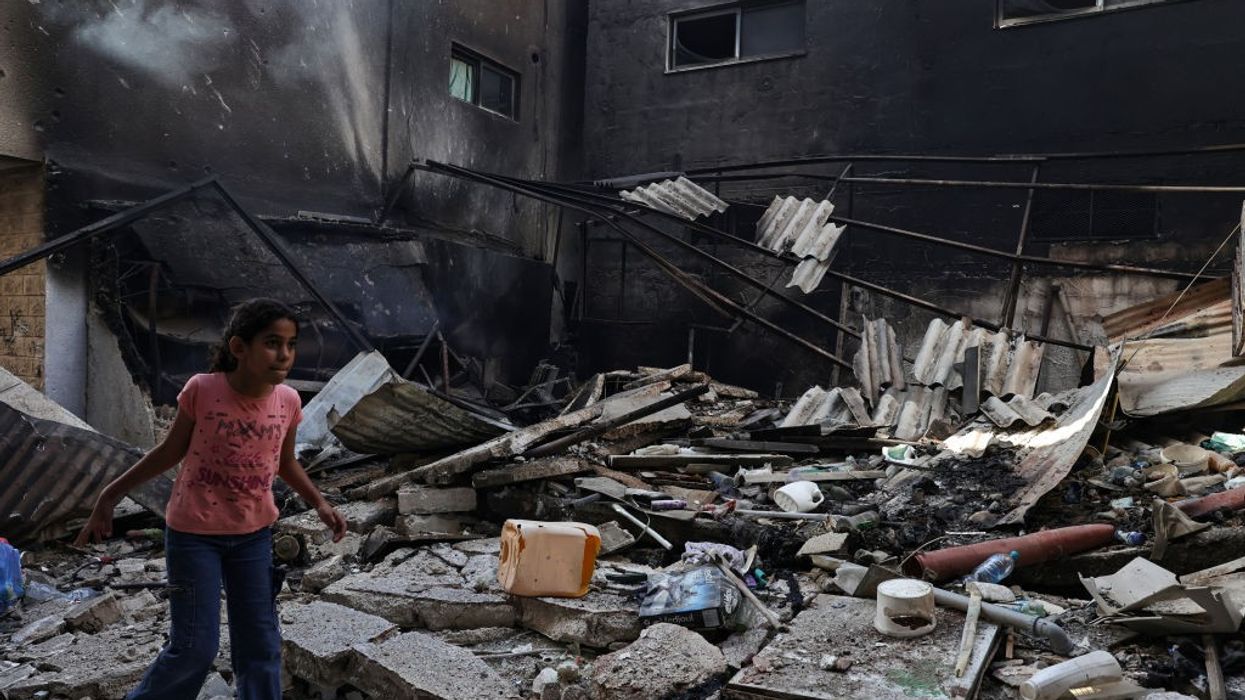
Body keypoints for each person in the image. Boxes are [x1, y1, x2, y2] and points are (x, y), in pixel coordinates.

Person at [76, 298, 347, 700]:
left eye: (291, 345)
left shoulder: (288, 401)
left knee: (260, 646)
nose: (284, 355)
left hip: (253, 537)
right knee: (193, 649)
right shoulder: (203, 390)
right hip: (193, 536)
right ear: (239, 348)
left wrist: (320, 503)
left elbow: (285, 462)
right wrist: (109, 496)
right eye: (273, 343)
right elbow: (169, 453)